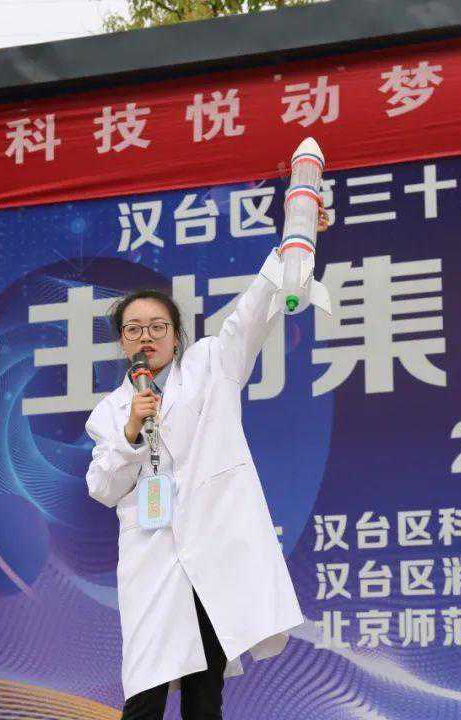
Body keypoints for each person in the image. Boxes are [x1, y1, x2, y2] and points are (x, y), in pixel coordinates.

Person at [84, 211, 330, 719]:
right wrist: (131, 431)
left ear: (176, 336)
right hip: (152, 560)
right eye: (134, 329)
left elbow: (252, 314)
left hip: (212, 550)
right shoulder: (109, 413)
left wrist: (293, 244)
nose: (146, 337)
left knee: (204, 694)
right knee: (145, 692)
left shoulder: (212, 366)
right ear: (122, 342)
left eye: (158, 327)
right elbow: (102, 487)